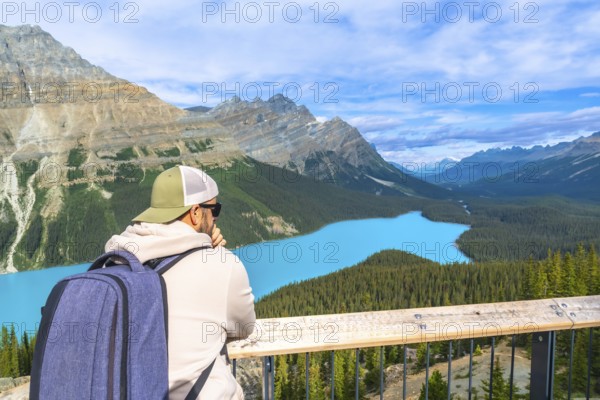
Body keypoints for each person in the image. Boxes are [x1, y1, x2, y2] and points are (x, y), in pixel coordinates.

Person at [105, 165, 256, 399]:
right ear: (196, 212)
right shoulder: (222, 265)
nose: (215, 217)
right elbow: (243, 327)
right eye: (214, 209)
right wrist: (214, 252)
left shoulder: (115, 260)